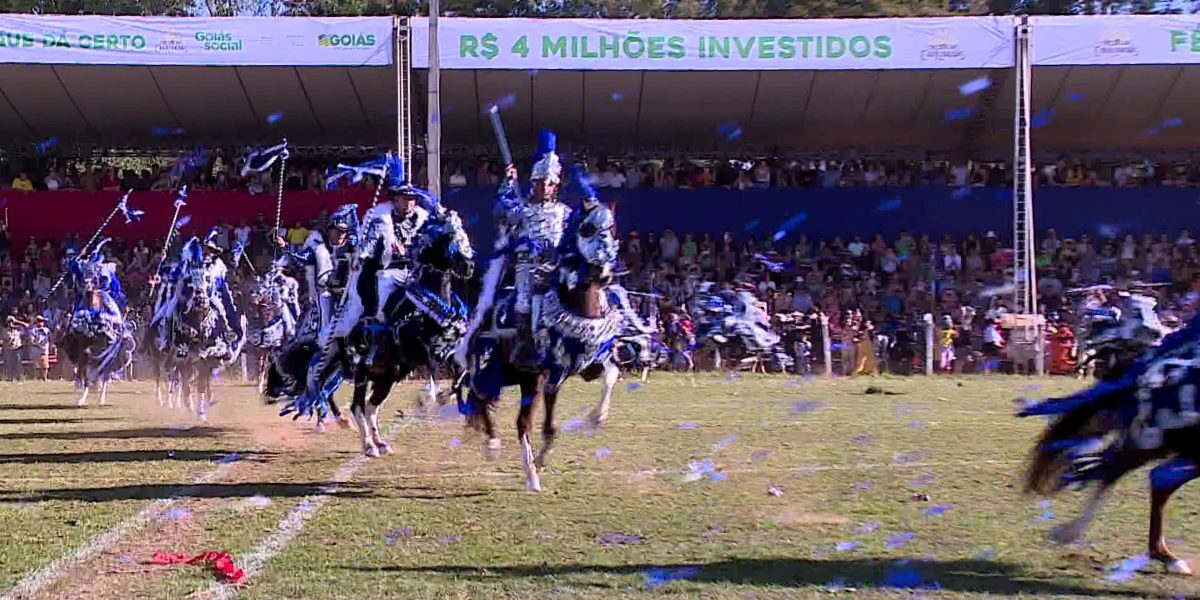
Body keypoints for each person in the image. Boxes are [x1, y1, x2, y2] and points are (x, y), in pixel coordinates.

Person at [476, 130, 571, 368]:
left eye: (549, 184)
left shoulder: (564, 212)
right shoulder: (522, 210)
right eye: (540, 183)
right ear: (534, 183)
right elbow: (500, 211)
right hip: (527, 266)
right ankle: (523, 345)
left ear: (555, 185)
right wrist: (508, 185)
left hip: (555, 267)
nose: (545, 188)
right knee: (523, 302)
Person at [26, 314, 50, 381]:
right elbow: (31, 341)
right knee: (36, 367)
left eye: (42, 321)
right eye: (39, 321)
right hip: (36, 351)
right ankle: (34, 379)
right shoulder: (33, 330)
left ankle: (45, 379)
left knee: (45, 366)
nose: (41, 322)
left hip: (44, 350)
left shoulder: (46, 330)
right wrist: (39, 346)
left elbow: (50, 339)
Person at [2, 315, 25, 381]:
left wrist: (17, 321)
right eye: (9, 322)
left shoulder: (18, 329)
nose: (10, 323)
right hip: (9, 349)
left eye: (12, 322)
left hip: (18, 349)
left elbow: (27, 326)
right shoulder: (5, 330)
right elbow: (4, 340)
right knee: (9, 364)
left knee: (18, 363)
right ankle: (10, 378)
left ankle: (19, 377)